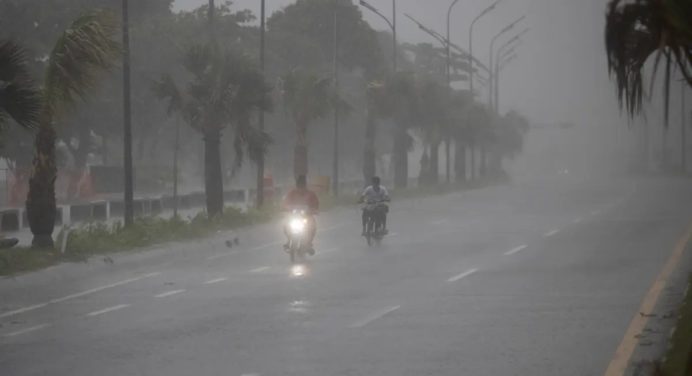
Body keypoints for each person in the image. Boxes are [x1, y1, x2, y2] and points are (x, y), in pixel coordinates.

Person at [282, 175, 319, 255]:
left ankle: (308, 243)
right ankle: (289, 240)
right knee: (286, 225)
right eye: (299, 187)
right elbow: (286, 203)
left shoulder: (311, 194)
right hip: (294, 216)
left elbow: (316, 204)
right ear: (297, 186)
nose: (301, 189)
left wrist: (314, 210)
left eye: (302, 186)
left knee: (312, 226)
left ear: (305, 186)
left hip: (307, 217)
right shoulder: (291, 193)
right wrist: (286, 208)